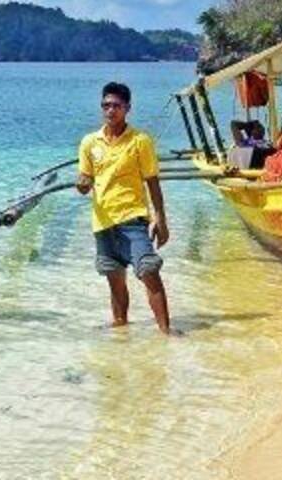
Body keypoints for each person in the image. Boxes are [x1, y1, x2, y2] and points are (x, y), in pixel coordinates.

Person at [76, 82, 172, 334]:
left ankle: (166, 332)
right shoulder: (89, 142)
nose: (110, 110)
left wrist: (160, 219)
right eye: (106, 105)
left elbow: (152, 181)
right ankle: (121, 331)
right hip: (103, 222)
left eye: (116, 106)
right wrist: (82, 185)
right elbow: (85, 180)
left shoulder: (141, 141)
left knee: (149, 272)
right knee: (114, 280)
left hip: (133, 219)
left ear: (127, 108)